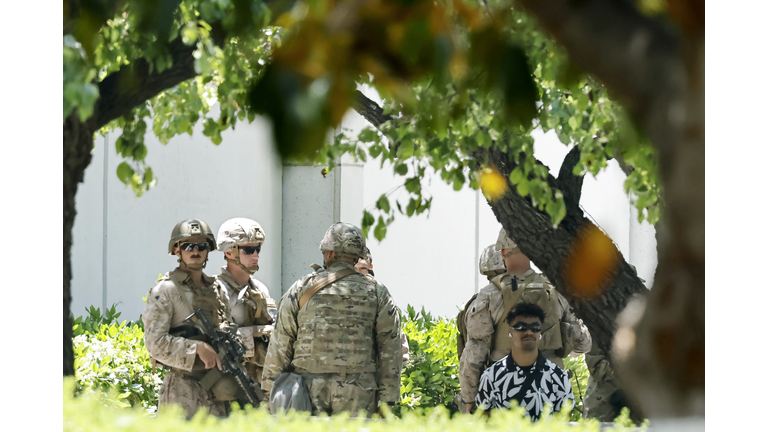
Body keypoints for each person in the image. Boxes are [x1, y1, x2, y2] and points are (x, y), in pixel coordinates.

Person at [262, 223, 403, 416]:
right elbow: (390, 350)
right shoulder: (377, 292)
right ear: (357, 257)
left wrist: (269, 393)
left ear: (328, 253)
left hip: (306, 390)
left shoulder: (301, 288)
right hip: (359, 391)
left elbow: (280, 346)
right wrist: (387, 402)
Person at [457, 227, 591, 413]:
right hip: (550, 389)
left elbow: (474, 355)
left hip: (504, 388)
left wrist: (469, 400)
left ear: (503, 251)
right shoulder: (556, 291)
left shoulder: (490, 295)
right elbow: (583, 344)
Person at [143, 218, 231, 418]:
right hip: (182, 392)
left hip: (217, 391)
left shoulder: (216, 289)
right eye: (189, 246)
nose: (196, 251)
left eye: (201, 246)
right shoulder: (165, 291)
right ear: (177, 250)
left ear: (208, 250)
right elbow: (154, 344)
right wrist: (197, 348)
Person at [475, 302, 574, 421]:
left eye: (535, 327)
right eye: (521, 327)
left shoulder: (558, 377)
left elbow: (564, 420)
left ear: (540, 333)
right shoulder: (491, 376)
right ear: (510, 332)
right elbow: (484, 419)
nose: (529, 332)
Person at [214, 218, 276, 398]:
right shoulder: (217, 291)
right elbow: (216, 343)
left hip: (259, 383)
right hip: (228, 385)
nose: (256, 255)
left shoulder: (260, 289)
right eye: (249, 250)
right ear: (229, 252)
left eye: (258, 249)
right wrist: (258, 332)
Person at [354, 246, 410, 364]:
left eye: (363, 268)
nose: (357, 273)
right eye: (354, 268)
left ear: (370, 268)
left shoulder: (380, 295)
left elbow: (396, 345)